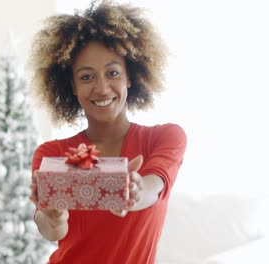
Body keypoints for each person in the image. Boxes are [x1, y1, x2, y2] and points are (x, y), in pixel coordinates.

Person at [28, 1, 187, 263]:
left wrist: (133, 192)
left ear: (129, 77)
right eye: (87, 77)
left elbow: (153, 188)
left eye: (112, 73)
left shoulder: (165, 138)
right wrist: (53, 215)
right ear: (73, 86)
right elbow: (52, 229)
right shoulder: (51, 154)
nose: (102, 88)